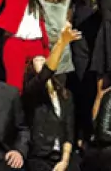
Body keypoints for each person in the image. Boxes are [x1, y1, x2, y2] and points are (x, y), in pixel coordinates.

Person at [22, 22, 81, 171]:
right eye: (39, 60)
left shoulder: (65, 94)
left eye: (44, 58)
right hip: (39, 156)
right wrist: (61, 43)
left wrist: (65, 161)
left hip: (62, 156)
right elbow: (44, 75)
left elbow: (69, 131)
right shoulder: (31, 92)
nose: (44, 61)